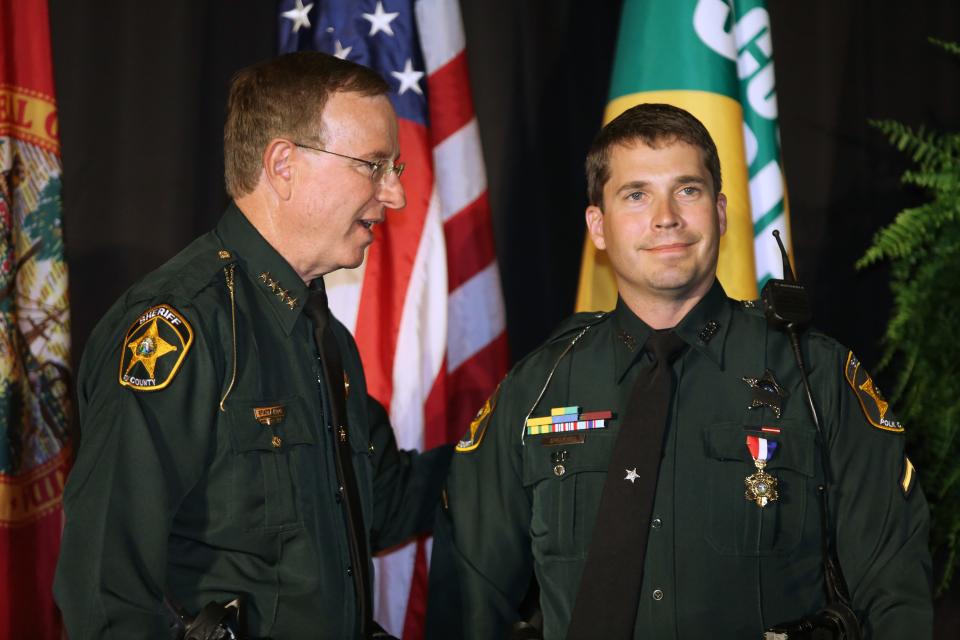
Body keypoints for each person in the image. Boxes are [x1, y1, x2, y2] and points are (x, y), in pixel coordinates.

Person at [428, 103, 932, 639]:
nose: (665, 216)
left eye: (687, 190)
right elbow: (468, 604)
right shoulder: (537, 389)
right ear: (597, 226)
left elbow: (894, 593)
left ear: (719, 213)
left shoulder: (816, 377)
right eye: (636, 194)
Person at [54, 51, 452, 639]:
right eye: (374, 165)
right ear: (283, 164)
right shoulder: (179, 328)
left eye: (394, 168)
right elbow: (104, 588)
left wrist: (518, 443)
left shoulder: (322, 333)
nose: (394, 195)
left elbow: (383, 504)